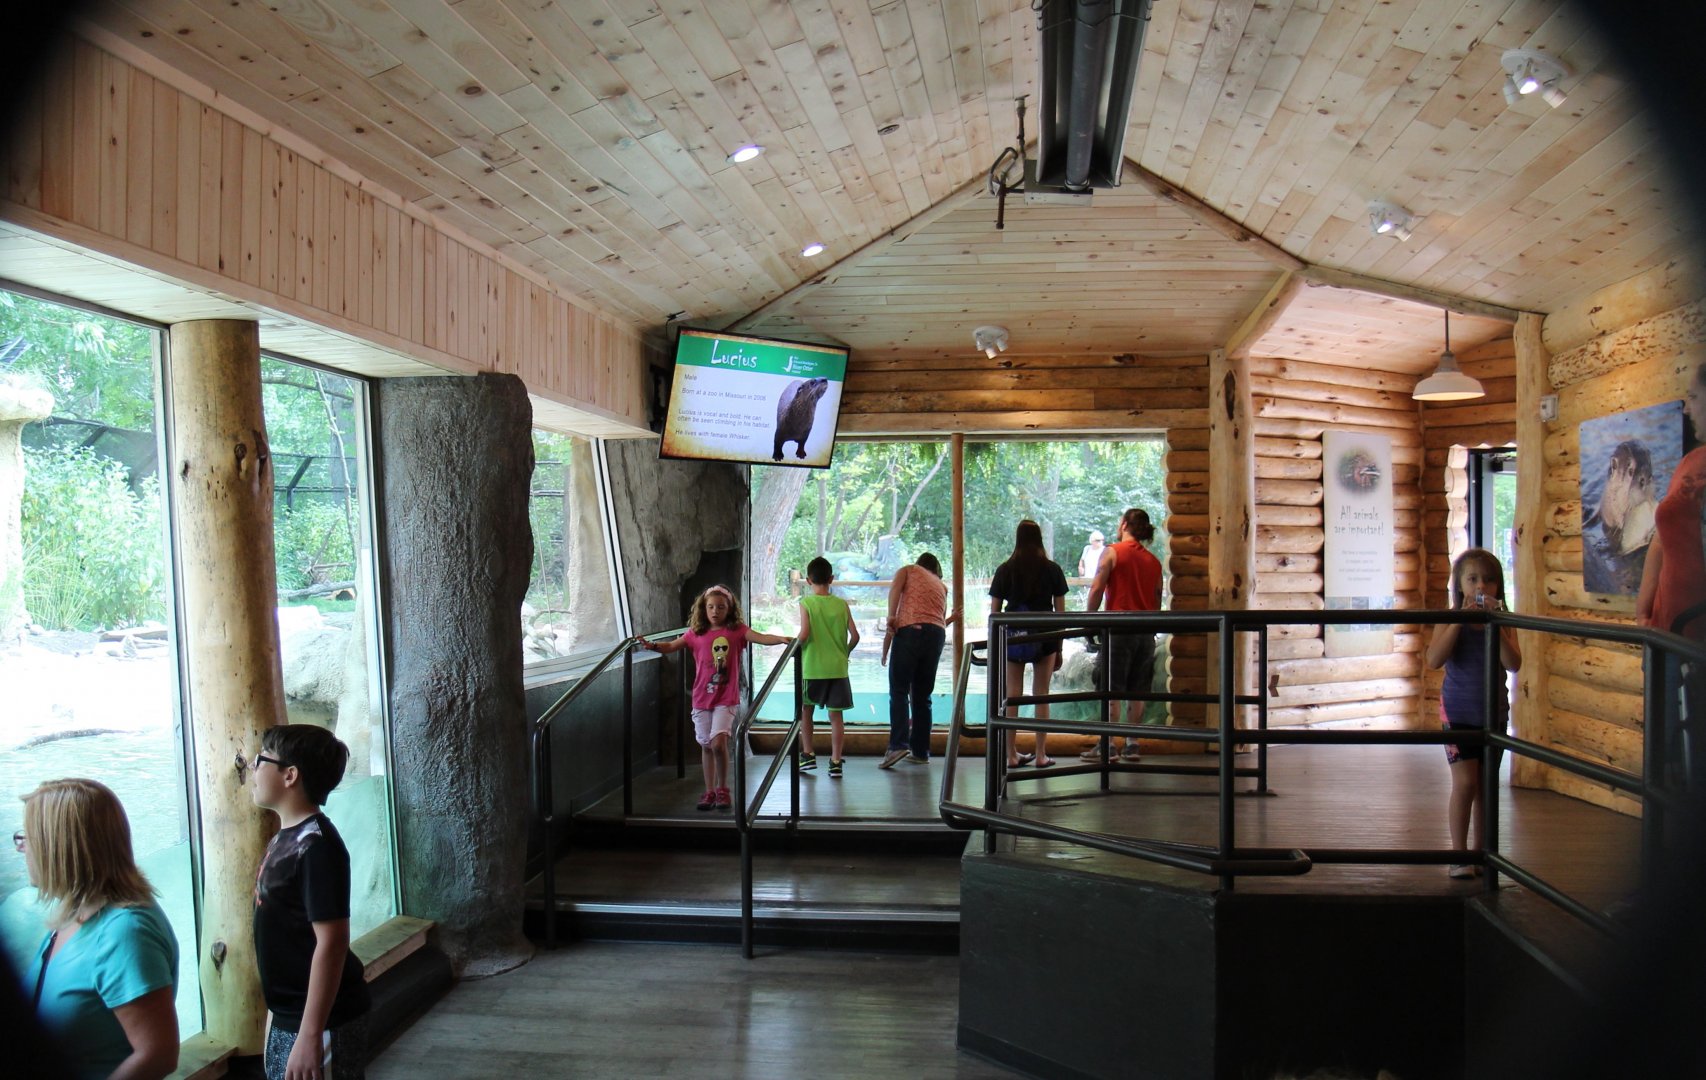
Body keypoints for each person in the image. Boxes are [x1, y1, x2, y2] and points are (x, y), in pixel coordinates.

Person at [21, 778, 180, 1080]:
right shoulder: (74, 913)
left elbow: (158, 1055)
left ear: (57, 847)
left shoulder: (125, 932)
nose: (23, 849)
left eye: (26, 838)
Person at [250, 724, 372, 1080]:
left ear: (290, 775)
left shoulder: (318, 847)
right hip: (292, 1015)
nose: (252, 769)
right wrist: (276, 1014)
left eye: (260, 760)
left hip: (321, 1019)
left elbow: (332, 942)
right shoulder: (287, 837)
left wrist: (310, 1034)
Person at [640, 585, 792, 810]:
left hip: (725, 699)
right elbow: (671, 645)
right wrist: (651, 646)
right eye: (711, 607)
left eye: (721, 607)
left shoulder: (736, 631)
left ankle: (723, 789)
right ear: (703, 608)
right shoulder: (695, 633)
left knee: (718, 744)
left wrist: (781, 639)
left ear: (729, 609)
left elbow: (760, 637)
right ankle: (709, 790)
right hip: (702, 699)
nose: (715, 611)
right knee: (706, 745)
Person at [1424, 548, 1521, 879]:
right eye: (1473, 579)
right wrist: (1460, 621)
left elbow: (1513, 663)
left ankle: (1481, 855)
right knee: (1465, 783)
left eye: (1489, 580)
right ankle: (1459, 855)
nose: (1481, 586)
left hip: (1494, 713)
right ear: (1460, 585)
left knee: (1485, 787)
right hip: (1458, 711)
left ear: (1498, 585)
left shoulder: (1505, 620)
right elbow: (1434, 660)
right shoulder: (1450, 618)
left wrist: (1495, 623)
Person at [1082, 508, 1165, 763]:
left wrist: (1088, 620)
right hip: (1145, 632)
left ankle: (1107, 744)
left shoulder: (1112, 552)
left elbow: (1097, 588)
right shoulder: (1154, 562)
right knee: (1137, 689)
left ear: (1125, 524)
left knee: (1111, 687)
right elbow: (1157, 599)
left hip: (1118, 630)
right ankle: (1132, 743)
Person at [990, 519, 1070, 768]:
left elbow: (994, 613)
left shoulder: (1005, 570)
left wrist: (997, 644)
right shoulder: (1052, 569)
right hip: (1045, 635)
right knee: (1041, 694)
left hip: (1014, 636)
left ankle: (1011, 754)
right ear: (1039, 539)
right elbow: (1061, 614)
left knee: (1012, 694)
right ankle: (1041, 754)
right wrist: (1059, 647)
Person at [1638, 362, 1706, 638]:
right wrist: (1644, 610)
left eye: (1694, 397)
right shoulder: (1690, 462)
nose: (1687, 409)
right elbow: (1661, 538)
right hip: (1666, 629)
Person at [881, 552, 956, 767]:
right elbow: (938, 619)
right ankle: (921, 751)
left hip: (911, 630)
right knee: (923, 695)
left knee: (899, 689)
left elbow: (895, 590)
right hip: (936, 635)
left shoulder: (908, 570)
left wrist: (891, 616)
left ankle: (898, 745)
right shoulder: (941, 586)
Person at [797, 557, 859, 777]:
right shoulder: (842, 605)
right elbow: (855, 636)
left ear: (808, 580)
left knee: (806, 711)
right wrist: (845, 652)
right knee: (836, 716)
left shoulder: (806, 603)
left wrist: (792, 646)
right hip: (838, 669)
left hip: (813, 668)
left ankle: (808, 754)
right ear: (831, 579)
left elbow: (804, 634)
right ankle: (835, 761)